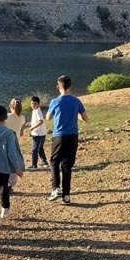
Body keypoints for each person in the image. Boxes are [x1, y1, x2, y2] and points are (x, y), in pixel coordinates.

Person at [47, 76, 88, 205]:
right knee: (67, 165)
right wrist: (76, 115)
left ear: (58, 87)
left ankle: (56, 188)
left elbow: (48, 117)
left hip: (59, 136)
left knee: (54, 161)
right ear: (70, 87)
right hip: (73, 136)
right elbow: (85, 118)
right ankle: (66, 196)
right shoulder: (76, 101)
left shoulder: (55, 101)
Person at [5, 98, 26, 193]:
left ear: (10, 106)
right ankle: (10, 185)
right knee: (14, 164)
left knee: (4, 163)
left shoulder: (6, 116)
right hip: (15, 142)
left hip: (5, 142)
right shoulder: (22, 118)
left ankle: (2, 183)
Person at [25, 96, 48, 170]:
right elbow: (37, 121)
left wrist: (33, 128)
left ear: (38, 104)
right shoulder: (35, 111)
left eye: (35, 104)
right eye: (32, 103)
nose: (33, 105)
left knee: (34, 149)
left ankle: (34, 165)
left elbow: (41, 121)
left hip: (38, 133)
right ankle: (44, 162)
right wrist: (31, 123)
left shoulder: (37, 111)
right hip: (42, 133)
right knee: (40, 148)